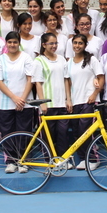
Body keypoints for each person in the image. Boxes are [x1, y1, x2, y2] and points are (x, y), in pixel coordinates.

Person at [0, 31, 35, 173]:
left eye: (15, 42)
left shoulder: (26, 58)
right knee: (7, 133)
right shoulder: (0, 59)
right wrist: (14, 98)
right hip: (5, 104)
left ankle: (24, 160)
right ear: (6, 43)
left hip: (25, 103)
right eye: (10, 42)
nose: (12, 44)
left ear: (19, 43)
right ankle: (11, 161)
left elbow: (30, 79)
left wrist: (21, 98)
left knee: (24, 132)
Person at [65, 34, 104, 170]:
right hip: (76, 101)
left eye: (80, 43)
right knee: (76, 131)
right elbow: (67, 81)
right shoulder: (69, 62)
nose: (77, 45)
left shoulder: (92, 60)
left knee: (86, 130)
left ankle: (93, 159)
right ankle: (83, 158)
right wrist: (68, 99)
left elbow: (101, 78)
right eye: (75, 43)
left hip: (89, 100)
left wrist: (94, 94)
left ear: (85, 45)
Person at [32, 33, 72, 163]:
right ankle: (49, 161)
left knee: (63, 133)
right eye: (51, 43)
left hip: (61, 103)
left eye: (56, 43)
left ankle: (63, 160)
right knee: (48, 135)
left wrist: (68, 99)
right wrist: (42, 103)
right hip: (48, 105)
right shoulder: (39, 61)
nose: (54, 46)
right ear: (44, 45)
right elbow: (38, 83)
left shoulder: (61, 59)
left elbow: (66, 80)